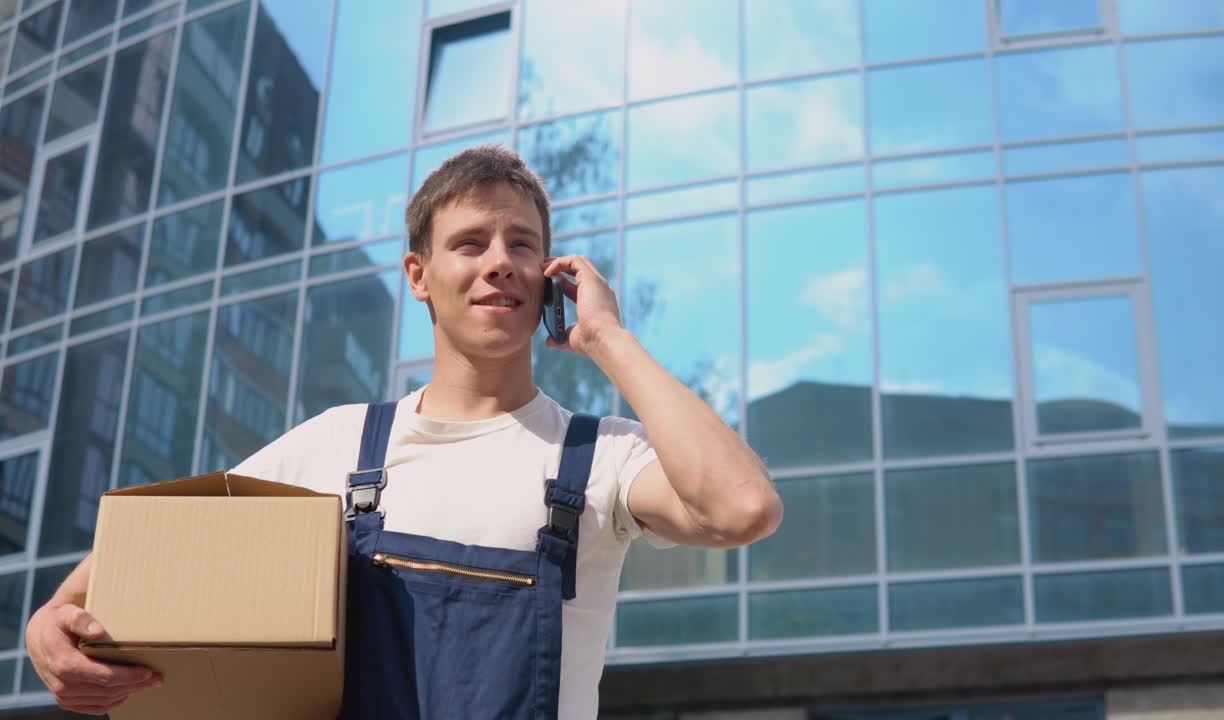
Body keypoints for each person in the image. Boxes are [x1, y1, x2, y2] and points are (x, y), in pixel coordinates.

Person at [24, 145, 782, 719]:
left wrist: (609, 338)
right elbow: (140, 555)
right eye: (471, 242)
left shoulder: (601, 459)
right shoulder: (340, 444)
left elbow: (743, 507)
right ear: (419, 275)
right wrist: (49, 622)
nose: (500, 263)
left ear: (551, 276)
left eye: (522, 244)